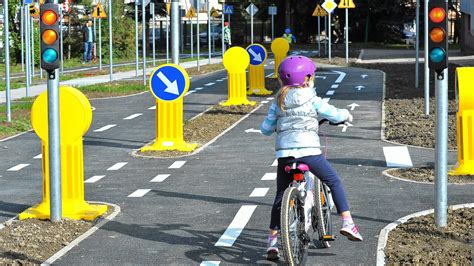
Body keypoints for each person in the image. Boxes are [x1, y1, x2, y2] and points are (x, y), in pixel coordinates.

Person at [260, 56, 363, 261]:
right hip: (310, 151)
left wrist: (274, 127)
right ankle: (348, 223)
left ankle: (272, 242)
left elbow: (265, 129)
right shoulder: (311, 98)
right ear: (307, 78)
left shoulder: (278, 100)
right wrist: (346, 116)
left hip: (286, 155)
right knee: (333, 180)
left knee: (281, 195)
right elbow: (333, 114)